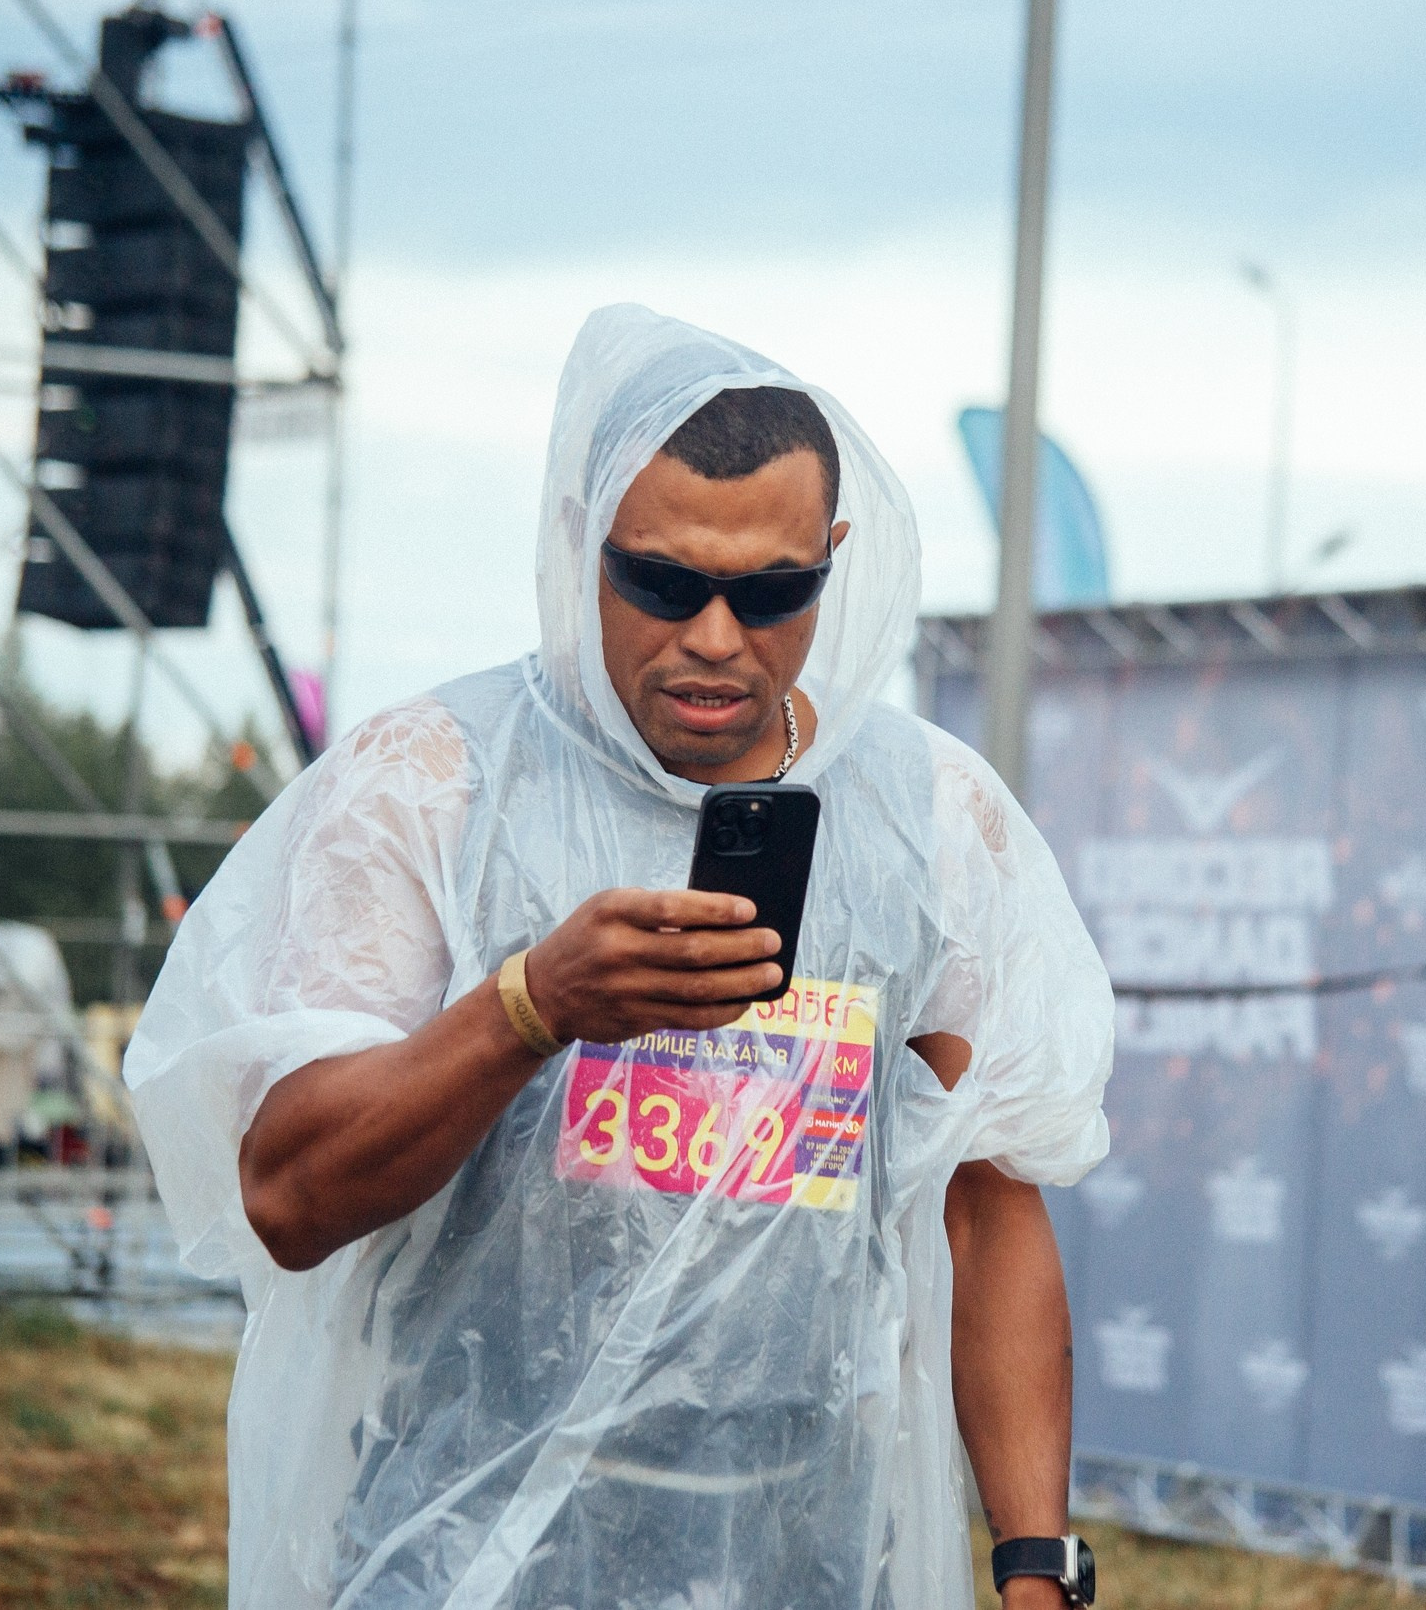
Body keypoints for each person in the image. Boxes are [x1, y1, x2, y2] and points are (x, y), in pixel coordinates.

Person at [125, 307, 1115, 1610]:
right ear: (578, 542)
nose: (715, 635)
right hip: (466, 1538)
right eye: (661, 581)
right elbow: (290, 1190)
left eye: (772, 593)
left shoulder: (928, 816)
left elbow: (988, 1207)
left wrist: (1037, 1562)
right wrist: (529, 1006)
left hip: (808, 1545)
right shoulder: (431, 782)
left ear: (836, 559)